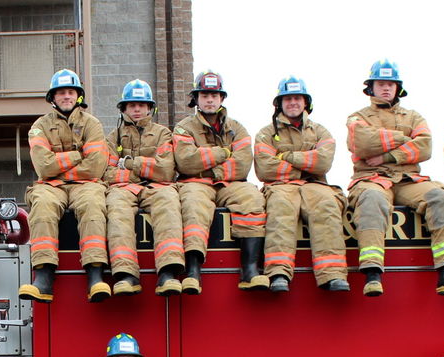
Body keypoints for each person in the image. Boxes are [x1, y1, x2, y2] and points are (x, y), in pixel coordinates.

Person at [346, 60, 444, 297]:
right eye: (380, 84)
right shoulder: (357, 117)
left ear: (397, 88)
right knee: (372, 200)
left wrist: (388, 155)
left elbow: (425, 147)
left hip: (408, 178)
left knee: (441, 197)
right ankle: (372, 274)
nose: (386, 88)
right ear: (370, 88)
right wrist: (405, 138)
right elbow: (362, 143)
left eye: (390, 84)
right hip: (372, 178)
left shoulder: (414, 116)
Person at [174, 70, 269, 292]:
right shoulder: (184, 128)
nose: (209, 99)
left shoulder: (237, 128)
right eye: (205, 94)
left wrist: (208, 167)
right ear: (196, 99)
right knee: (193, 207)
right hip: (193, 184)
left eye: (214, 95)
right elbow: (186, 162)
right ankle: (193, 271)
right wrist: (224, 152)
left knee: (253, 200)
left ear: (222, 98)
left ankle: (250, 270)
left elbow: (243, 163)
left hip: (231, 184)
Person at [20, 69, 110, 304]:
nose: (66, 96)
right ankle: (43, 277)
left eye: (71, 92)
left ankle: (95, 275)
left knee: (93, 205)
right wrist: (78, 155)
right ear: (53, 98)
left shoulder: (92, 124)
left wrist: (59, 164)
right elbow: (43, 166)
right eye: (61, 93)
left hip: (86, 184)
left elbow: (96, 167)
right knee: (42, 206)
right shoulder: (39, 126)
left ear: (78, 96)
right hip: (51, 186)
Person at [254, 76, 349, 293]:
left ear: (306, 102)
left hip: (316, 185)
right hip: (280, 186)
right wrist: (307, 163)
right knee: (280, 210)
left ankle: (332, 274)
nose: (293, 103)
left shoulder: (320, 131)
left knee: (327, 207)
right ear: (279, 104)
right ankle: (278, 272)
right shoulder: (266, 133)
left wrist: (285, 156)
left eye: (297, 98)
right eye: (287, 99)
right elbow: (265, 168)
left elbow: (323, 163)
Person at [103, 79, 185, 296]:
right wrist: (148, 168)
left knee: (169, 204)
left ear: (150, 108)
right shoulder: (113, 138)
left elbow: (166, 171)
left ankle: (168, 272)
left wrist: (128, 163)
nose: (137, 109)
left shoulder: (163, 134)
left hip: (158, 188)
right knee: (116, 210)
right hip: (123, 189)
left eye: (141, 105)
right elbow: (107, 173)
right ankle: (125, 275)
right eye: (132, 105)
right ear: (124, 109)